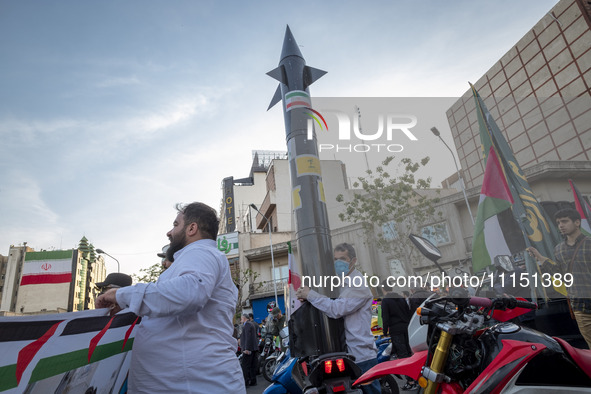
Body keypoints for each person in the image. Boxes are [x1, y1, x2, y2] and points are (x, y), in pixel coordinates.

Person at [95, 202, 244, 393]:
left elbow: (189, 293)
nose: (169, 232)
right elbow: (173, 310)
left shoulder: (200, 252)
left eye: (175, 225)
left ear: (192, 228)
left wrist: (120, 294)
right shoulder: (195, 257)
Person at [296, 243, 380, 394]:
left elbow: (335, 309)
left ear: (353, 261)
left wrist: (310, 295)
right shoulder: (342, 282)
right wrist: (309, 298)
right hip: (348, 353)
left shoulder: (358, 284)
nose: (337, 262)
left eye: (342, 258)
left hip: (362, 355)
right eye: (335, 259)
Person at [528, 208, 591, 349]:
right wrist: (539, 257)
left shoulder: (589, 243)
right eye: (558, 223)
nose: (561, 225)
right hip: (580, 307)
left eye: (564, 221)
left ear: (577, 222)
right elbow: (559, 273)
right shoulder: (559, 249)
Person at [381, 288, 417, 390]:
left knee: (402, 355)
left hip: (396, 330)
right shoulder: (401, 298)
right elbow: (409, 313)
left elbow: (385, 317)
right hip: (406, 328)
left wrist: (384, 332)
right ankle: (416, 378)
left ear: (383, 289)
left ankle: (411, 381)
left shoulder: (385, 301)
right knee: (410, 353)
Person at [239, 313, 258, 386]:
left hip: (248, 349)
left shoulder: (247, 325)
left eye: (241, 318)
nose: (241, 320)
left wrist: (246, 348)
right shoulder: (251, 324)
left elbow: (247, 337)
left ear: (244, 318)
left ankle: (246, 382)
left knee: (245, 366)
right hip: (253, 348)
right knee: (252, 365)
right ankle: (253, 381)